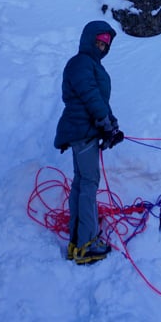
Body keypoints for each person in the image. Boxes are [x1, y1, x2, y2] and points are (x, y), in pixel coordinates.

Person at [54, 20, 124, 264]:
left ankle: (77, 242)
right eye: (99, 40)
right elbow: (90, 96)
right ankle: (87, 243)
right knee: (89, 184)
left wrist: (111, 125)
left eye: (107, 42)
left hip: (84, 130)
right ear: (88, 39)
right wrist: (104, 122)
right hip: (83, 131)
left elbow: (98, 100)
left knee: (82, 183)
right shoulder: (81, 62)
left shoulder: (88, 64)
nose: (103, 45)